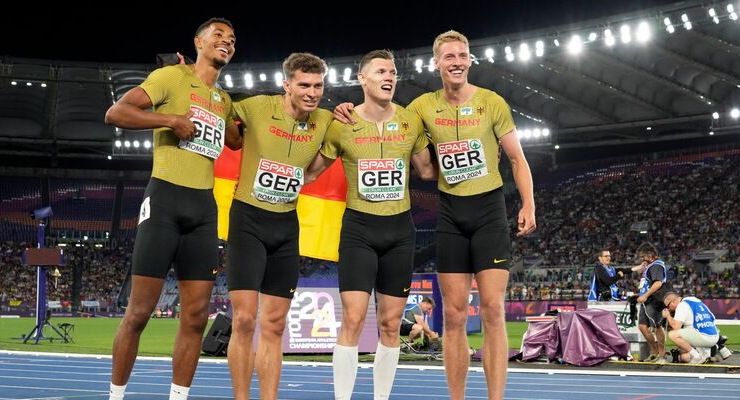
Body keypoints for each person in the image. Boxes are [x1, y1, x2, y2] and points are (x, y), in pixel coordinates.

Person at [332, 30, 535, 400]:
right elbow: (387, 124)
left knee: (492, 309)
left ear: (469, 60)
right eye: (449, 56)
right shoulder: (420, 109)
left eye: (462, 55)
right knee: (454, 316)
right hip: (451, 216)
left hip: (489, 213)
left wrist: (529, 203)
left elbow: (518, 159)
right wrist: (345, 109)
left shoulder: (492, 103)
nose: (457, 61)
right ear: (437, 63)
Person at [104, 18, 236, 400]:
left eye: (231, 39)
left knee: (195, 318)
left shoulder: (224, 101)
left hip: (204, 210)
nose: (226, 42)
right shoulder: (170, 77)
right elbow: (116, 113)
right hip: (164, 201)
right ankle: (116, 395)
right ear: (198, 42)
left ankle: (178, 397)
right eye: (218, 36)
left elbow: (240, 140)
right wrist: (170, 120)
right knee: (139, 312)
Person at [305, 49, 436, 400]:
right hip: (359, 231)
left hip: (399, 232)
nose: (389, 77)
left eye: (392, 72)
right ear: (362, 79)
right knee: (352, 319)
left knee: (391, 324)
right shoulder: (342, 123)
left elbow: (427, 171)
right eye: (380, 71)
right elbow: (312, 171)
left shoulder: (410, 121)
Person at [224, 52, 333, 400]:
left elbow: (354, 131)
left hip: (286, 225)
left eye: (318, 85)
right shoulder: (256, 107)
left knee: (274, 325)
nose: (312, 92)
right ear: (286, 84)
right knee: (243, 320)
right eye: (304, 85)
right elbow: (218, 106)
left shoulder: (328, 121)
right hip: (248, 221)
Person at [632, 242, 669, 362]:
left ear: (650, 255)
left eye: (643, 256)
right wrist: (640, 294)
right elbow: (648, 284)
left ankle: (662, 354)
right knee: (642, 326)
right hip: (646, 300)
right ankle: (654, 352)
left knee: (657, 326)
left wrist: (645, 295)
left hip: (654, 300)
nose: (642, 259)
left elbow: (658, 283)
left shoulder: (656, 265)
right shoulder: (650, 265)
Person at [662, 290, 719, 364]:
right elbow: (712, 318)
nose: (668, 309)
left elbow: (676, 327)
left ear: (672, 302)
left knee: (672, 334)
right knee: (685, 357)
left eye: (668, 306)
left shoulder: (682, 305)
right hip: (714, 335)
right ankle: (706, 355)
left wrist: (668, 316)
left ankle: (697, 356)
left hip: (703, 336)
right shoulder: (696, 301)